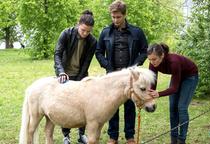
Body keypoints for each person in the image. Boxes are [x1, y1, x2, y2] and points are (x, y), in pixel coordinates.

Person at [95, 1, 148, 143]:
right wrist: (108, 67)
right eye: (113, 17)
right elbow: (99, 52)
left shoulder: (137, 32)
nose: (115, 20)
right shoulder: (105, 32)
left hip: (131, 77)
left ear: (124, 15)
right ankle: (113, 136)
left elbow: (144, 51)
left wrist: (134, 67)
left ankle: (130, 136)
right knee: (112, 107)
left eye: (118, 17)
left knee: (130, 106)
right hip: (112, 77)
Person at [54, 10, 97, 144]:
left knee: (84, 106)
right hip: (64, 75)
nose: (85, 34)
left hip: (81, 75)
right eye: (83, 30)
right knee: (66, 105)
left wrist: (80, 80)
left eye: (88, 32)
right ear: (78, 24)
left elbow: (86, 63)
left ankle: (81, 134)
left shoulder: (92, 41)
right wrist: (61, 72)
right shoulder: (66, 33)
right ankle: (66, 136)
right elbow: (57, 54)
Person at [147, 43, 199, 144]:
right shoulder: (152, 64)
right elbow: (153, 83)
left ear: (162, 55)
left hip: (190, 76)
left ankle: (181, 140)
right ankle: (173, 140)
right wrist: (149, 97)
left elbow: (174, 88)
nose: (152, 62)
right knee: (172, 108)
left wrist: (159, 94)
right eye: (150, 59)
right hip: (177, 76)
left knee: (182, 108)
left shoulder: (173, 62)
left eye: (154, 59)